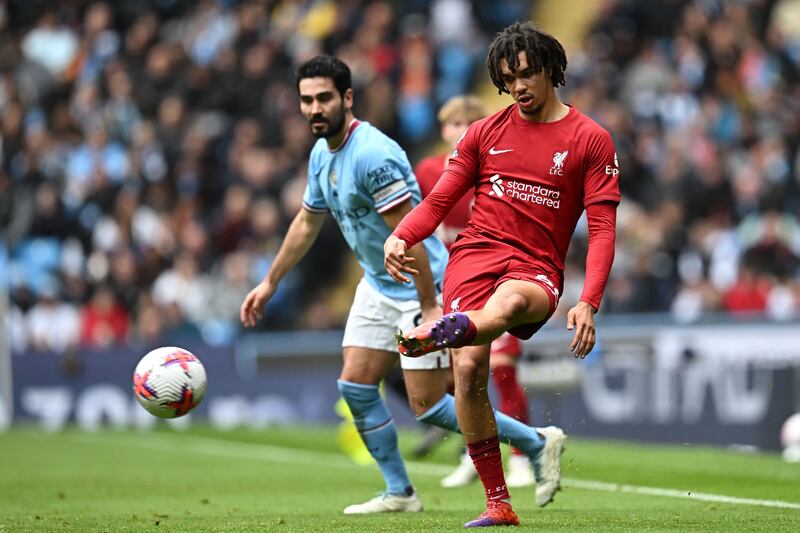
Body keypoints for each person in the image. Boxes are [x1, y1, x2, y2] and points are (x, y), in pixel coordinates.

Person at [241, 55, 562, 517]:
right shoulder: (319, 155)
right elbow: (307, 223)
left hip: (417, 283)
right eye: (307, 100)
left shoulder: (373, 154)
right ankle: (400, 491)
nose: (314, 108)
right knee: (355, 385)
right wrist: (270, 282)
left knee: (429, 407)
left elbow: (412, 235)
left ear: (347, 99)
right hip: (376, 284)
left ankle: (534, 442)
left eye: (324, 98)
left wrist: (431, 307)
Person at [385, 22, 619, 527]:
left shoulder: (591, 139)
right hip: (474, 256)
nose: (518, 86)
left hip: (536, 266)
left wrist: (589, 300)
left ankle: (443, 332)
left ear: (551, 70)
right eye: (508, 78)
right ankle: (498, 503)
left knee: (511, 306)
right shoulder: (484, 133)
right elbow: (440, 201)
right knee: (469, 373)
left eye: (528, 73)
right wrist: (401, 235)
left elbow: (602, 227)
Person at [415, 95, 536, 489]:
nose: (458, 131)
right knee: (463, 376)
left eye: (468, 123)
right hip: (456, 285)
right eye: (452, 124)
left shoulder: (499, 171)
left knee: (502, 370)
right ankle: (474, 453)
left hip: (500, 280)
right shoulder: (430, 171)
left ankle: (521, 456)